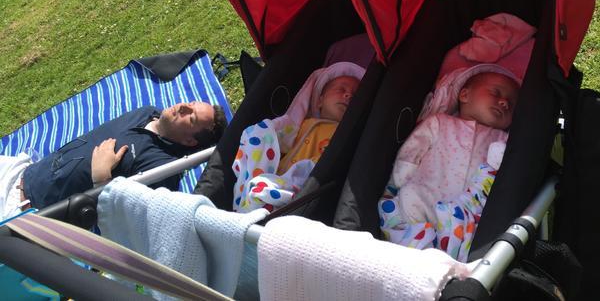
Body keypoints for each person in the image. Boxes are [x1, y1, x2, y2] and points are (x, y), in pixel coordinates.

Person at [378, 65, 519, 261]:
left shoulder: (504, 140)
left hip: (466, 212)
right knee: (410, 199)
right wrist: (400, 179)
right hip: (427, 191)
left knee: (470, 232)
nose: (504, 102)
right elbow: (413, 150)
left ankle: (445, 258)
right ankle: (413, 251)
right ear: (465, 95)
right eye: (496, 92)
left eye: (512, 104)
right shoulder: (440, 122)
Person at [0, 102, 227, 219]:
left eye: (191, 117)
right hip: (19, 170)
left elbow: (128, 226)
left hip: (20, 209)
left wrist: (102, 181)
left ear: (190, 142)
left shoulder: (162, 170)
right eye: (191, 103)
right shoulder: (147, 112)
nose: (183, 107)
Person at [232, 62, 365, 212]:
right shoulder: (302, 124)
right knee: (258, 135)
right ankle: (253, 203)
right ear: (320, 100)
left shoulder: (347, 135)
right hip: (276, 177)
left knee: (265, 190)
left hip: (308, 186)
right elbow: (279, 142)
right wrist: (266, 134)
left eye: (355, 95)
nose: (348, 95)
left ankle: (259, 205)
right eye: (341, 89)